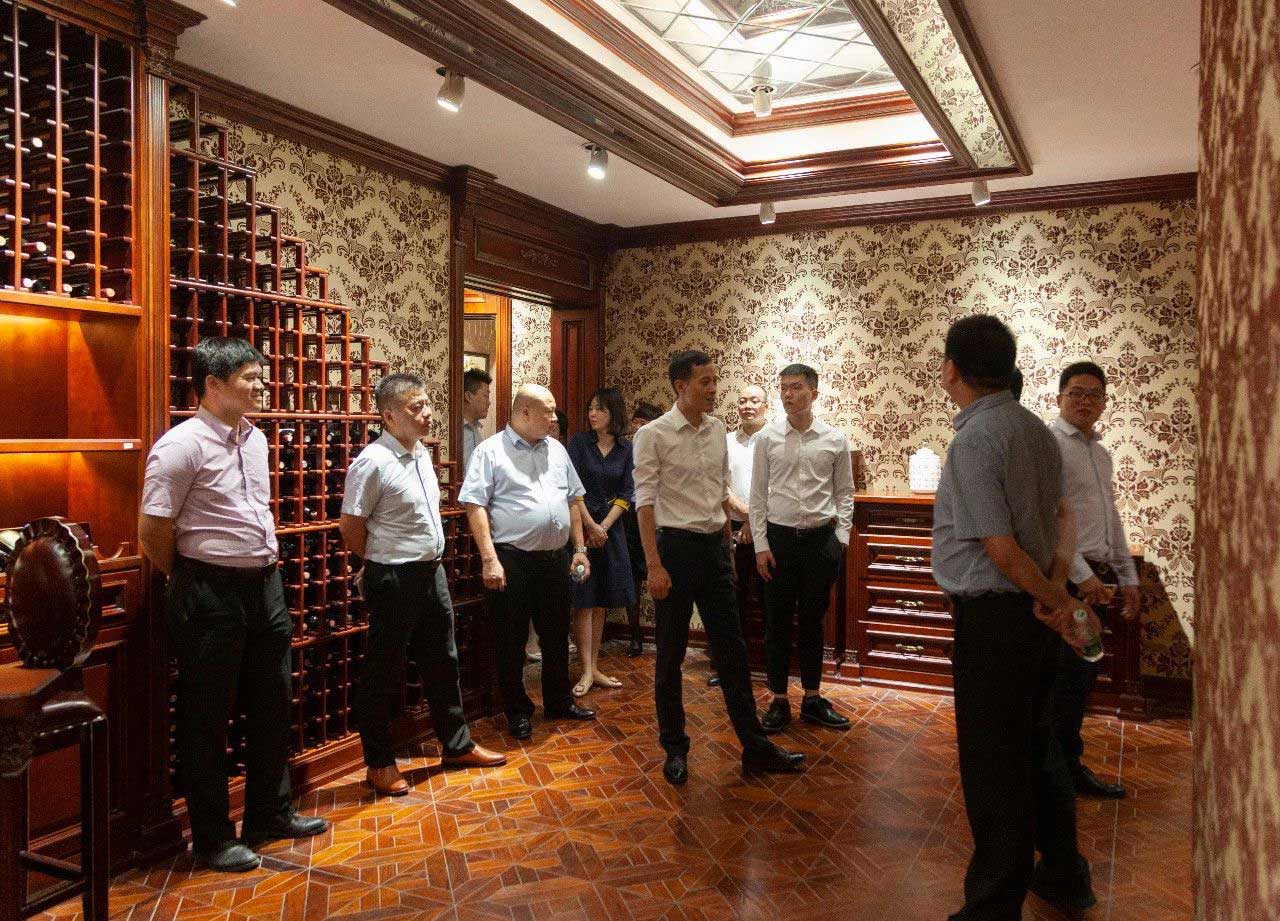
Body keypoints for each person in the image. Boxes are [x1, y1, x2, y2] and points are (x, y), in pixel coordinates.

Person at [932, 315, 1100, 919]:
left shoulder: (975, 439)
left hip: (996, 618)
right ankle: (1064, 874)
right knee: (1038, 746)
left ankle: (993, 905)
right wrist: (1054, 594)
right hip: (1030, 612)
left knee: (994, 763)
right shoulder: (1035, 430)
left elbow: (999, 548)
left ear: (951, 370)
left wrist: (1054, 599)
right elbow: (1060, 523)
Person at [139, 337, 328, 873]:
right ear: (213, 384)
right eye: (250, 377)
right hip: (209, 590)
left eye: (260, 376)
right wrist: (192, 577)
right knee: (207, 715)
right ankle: (213, 838)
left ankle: (269, 813)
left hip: (264, 585)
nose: (261, 385)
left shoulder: (256, 438)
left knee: (273, 701)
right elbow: (153, 531)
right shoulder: (181, 446)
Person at [633, 350, 805, 786]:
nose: (714, 389)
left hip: (713, 550)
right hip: (673, 551)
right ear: (681, 386)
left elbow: (721, 494)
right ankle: (675, 749)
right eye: (705, 382)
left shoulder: (716, 432)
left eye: (715, 380)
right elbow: (645, 504)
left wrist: (743, 532)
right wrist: (654, 564)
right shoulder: (653, 435)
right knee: (670, 655)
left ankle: (755, 746)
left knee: (733, 651)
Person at [339, 372, 508, 797]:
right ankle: (379, 763)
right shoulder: (373, 462)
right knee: (383, 670)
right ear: (389, 416)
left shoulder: (420, 454)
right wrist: (377, 562)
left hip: (431, 572)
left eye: (427, 404)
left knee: (443, 661)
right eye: (416, 407)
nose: (428, 413)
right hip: (394, 576)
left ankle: (457, 746)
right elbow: (351, 527)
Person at [459, 384, 597, 741]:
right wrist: (489, 558)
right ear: (524, 413)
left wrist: (579, 548)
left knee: (556, 636)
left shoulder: (558, 450)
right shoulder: (490, 451)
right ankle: (518, 711)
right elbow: (475, 505)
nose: (554, 418)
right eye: (548, 412)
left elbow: (572, 501)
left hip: (555, 560)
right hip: (511, 560)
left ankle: (559, 701)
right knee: (511, 639)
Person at [1049, 360, 1141, 799]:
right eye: (1076, 393)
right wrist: (1082, 578)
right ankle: (1057, 774)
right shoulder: (1050, 445)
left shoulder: (1100, 453)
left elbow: (1111, 517)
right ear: (1059, 398)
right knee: (1063, 681)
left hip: (1096, 578)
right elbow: (1047, 520)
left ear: (1104, 403)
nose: (1085, 402)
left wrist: (1128, 576)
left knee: (1081, 677)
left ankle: (1066, 768)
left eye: (1094, 395)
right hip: (1067, 580)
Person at [751, 363, 855, 733]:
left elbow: (845, 493)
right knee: (777, 623)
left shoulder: (834, 439)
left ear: (814, 392)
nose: (787, 394)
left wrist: (840, 540)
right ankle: (778, 700)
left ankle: (812, 698)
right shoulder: (767, 439)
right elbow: (757, 497)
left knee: (813, 622)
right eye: (783, 387)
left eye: (795, 387)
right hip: (778, 542)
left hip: (820, 542)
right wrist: (760, 545)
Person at [567, 388, 637, 696]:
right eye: (591, 408)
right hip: (581, 528)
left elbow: (627, 493)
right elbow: (572, 488)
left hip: (611, 531)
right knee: (583, 598)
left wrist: (604, 527)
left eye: (600, 409)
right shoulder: (579, 443)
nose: (592, 414)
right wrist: (591, 526)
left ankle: (594, 666)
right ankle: (584, 669)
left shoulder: (626, 449)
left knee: (601, 600)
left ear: (614, 414)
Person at [623, 401, 663, 656]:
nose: (637, 428)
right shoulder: (625, 451)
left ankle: (663, 634)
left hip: (658, 517)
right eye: (635, 422)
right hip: (629, 515)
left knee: (660, 575)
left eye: (643, 423)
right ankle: (634, 634)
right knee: (633, 578)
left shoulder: (662, 449)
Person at [460, 367, 492, 479]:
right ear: (468, 397)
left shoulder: (477, 430)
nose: (489, 402)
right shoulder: (455, 433)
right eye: (486, 396)